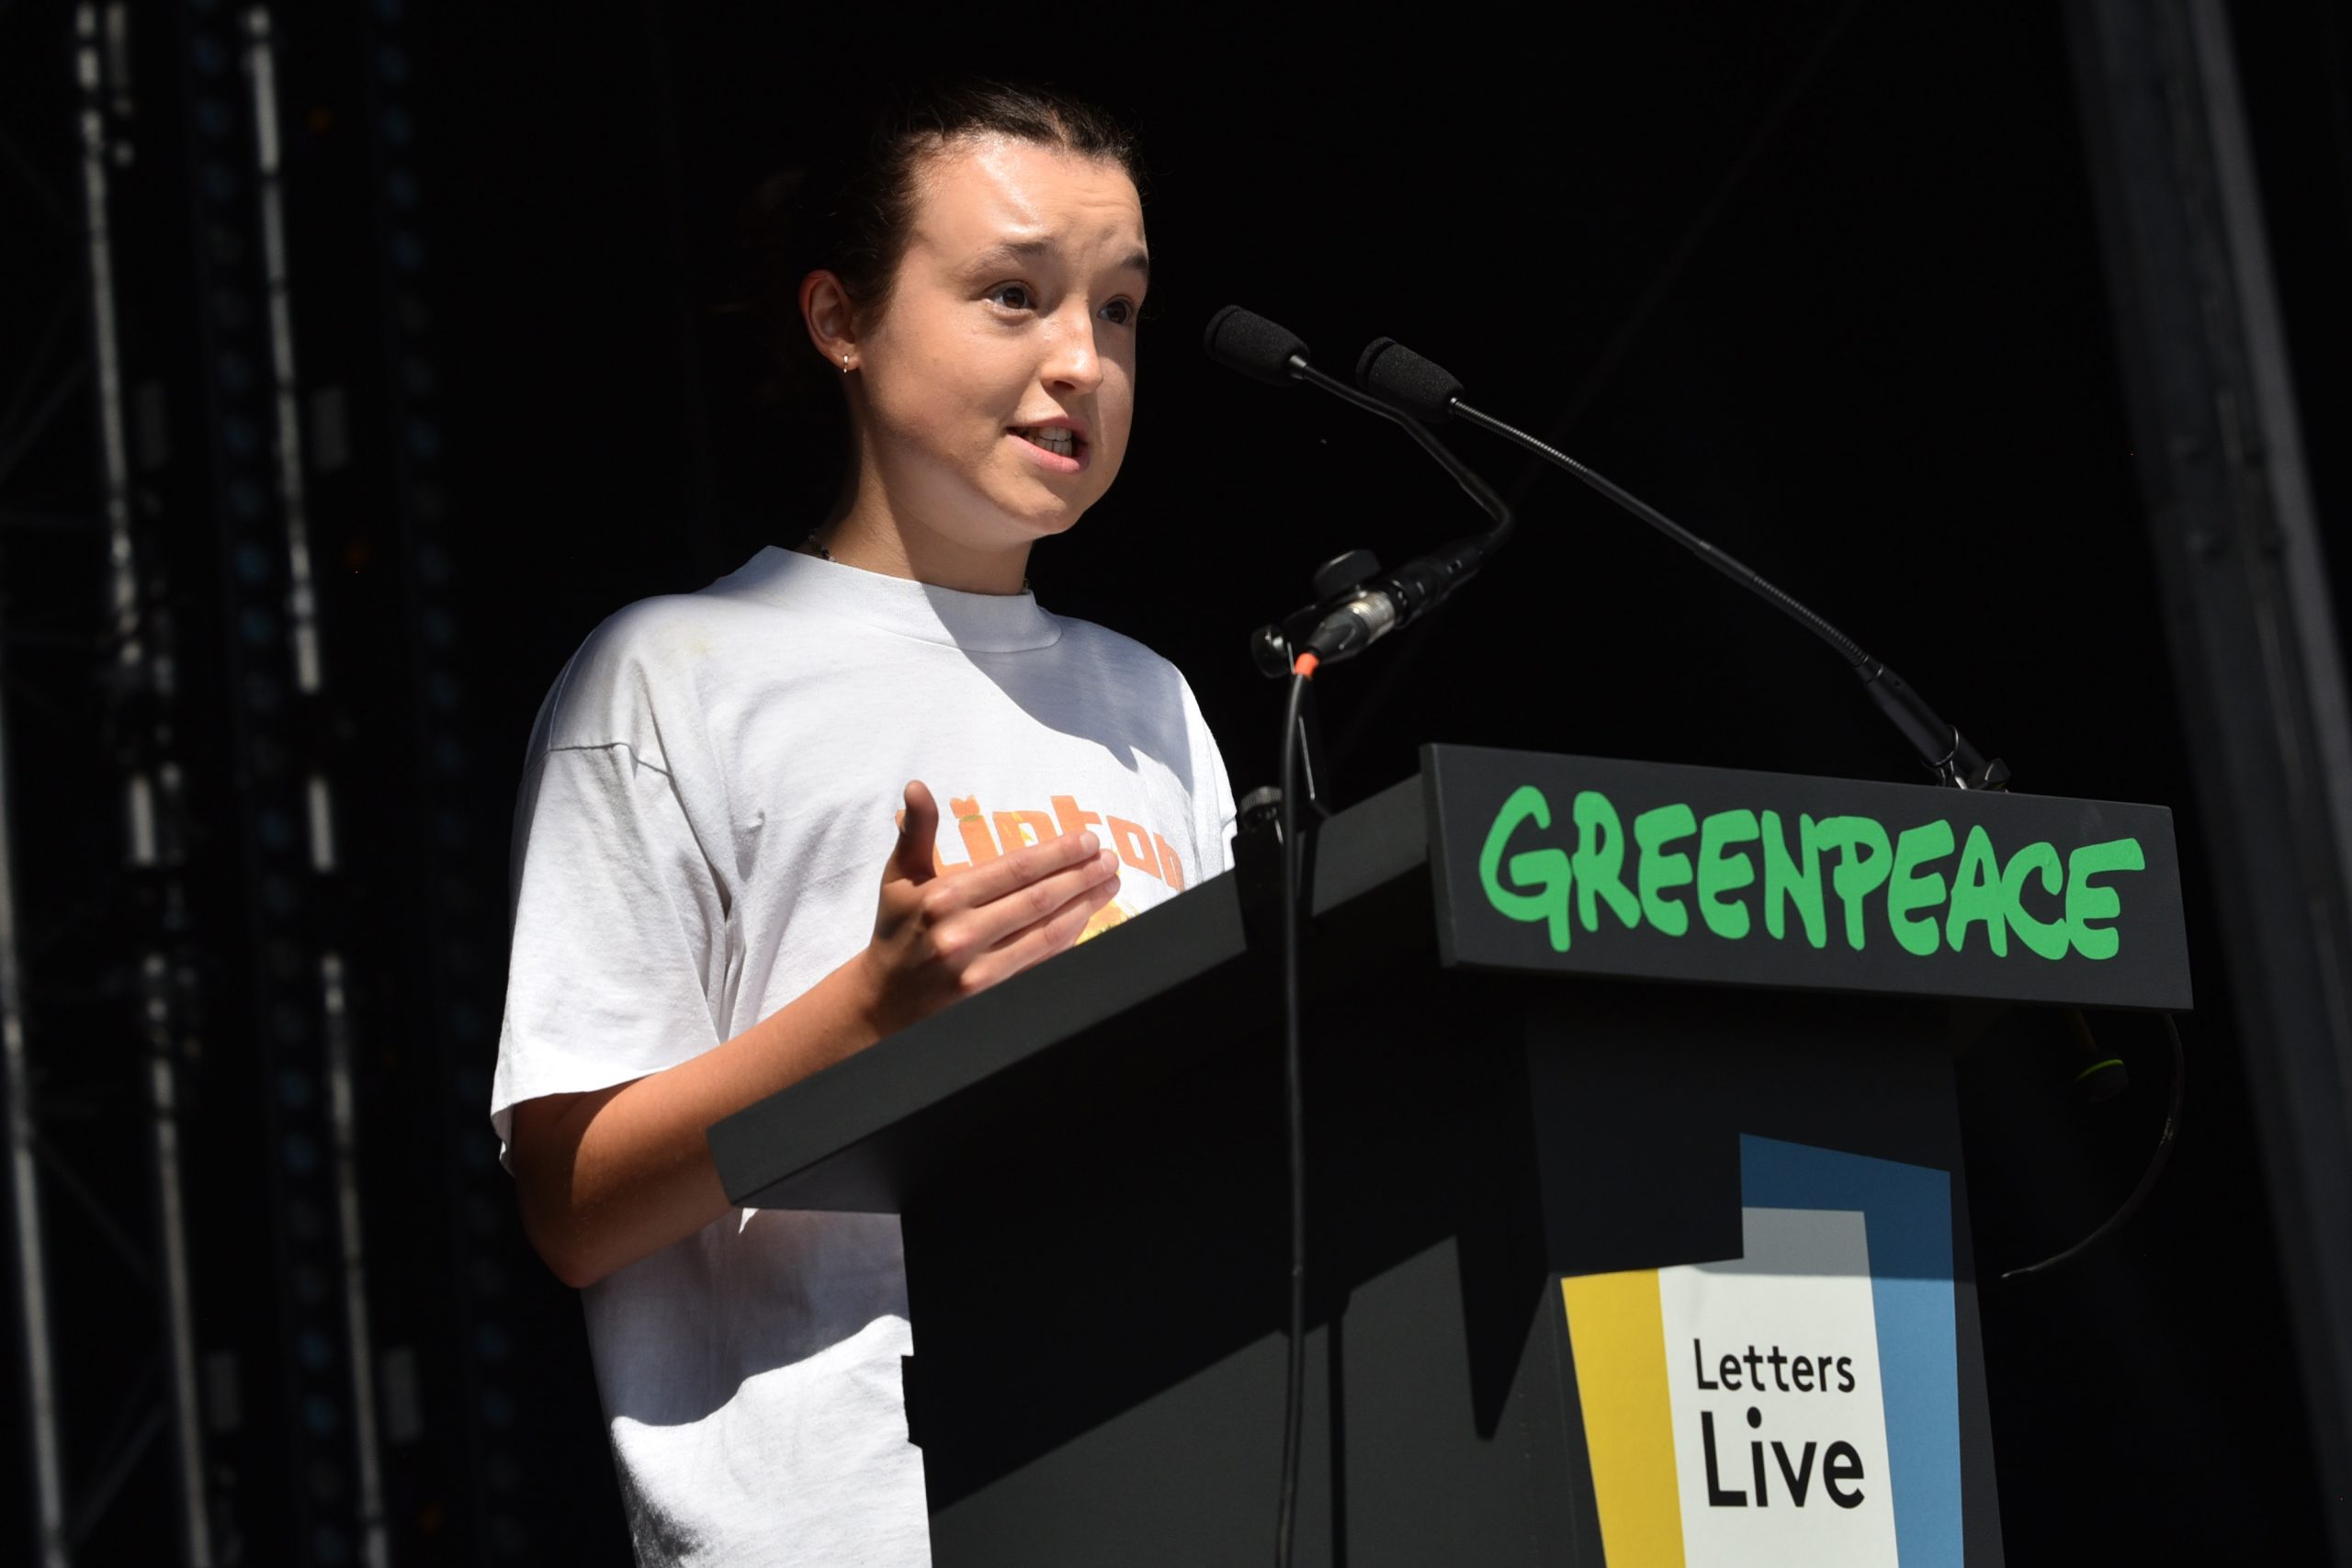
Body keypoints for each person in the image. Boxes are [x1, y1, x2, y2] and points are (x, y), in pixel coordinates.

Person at [492, 82, 1237, 1566]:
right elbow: (573, 1206)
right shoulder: (677, 674)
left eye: (1120, 310)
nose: (1081, 360)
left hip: (1158, 1489)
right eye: (1013, 295)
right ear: (841, 318)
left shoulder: (1151, 701)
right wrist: (870, 1019)